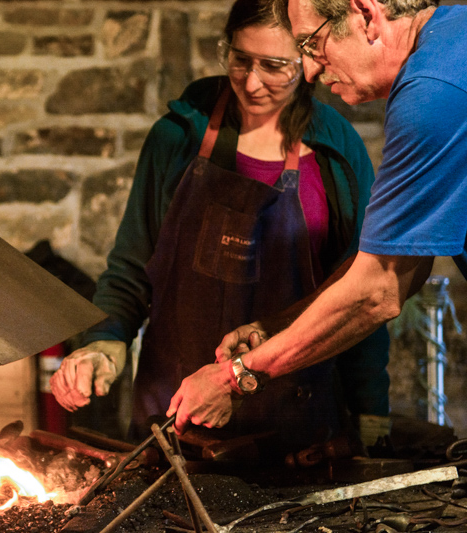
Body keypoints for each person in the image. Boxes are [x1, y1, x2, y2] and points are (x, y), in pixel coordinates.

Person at [50, 0, 391, 451]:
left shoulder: (337, 153)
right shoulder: (177, 137)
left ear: (309, 60)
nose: (252, 82)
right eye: (240, 59)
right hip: (173, 413)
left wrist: (372, 409)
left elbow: (357, 288)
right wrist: (102, 343)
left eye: (274, 67)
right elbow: (132, 268)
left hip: (295, 422)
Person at [167, 0, 467, 436]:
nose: (310, 71)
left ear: (365, 13)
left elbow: (377, 290)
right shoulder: (453, 36)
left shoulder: (432, 94)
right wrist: (277, 326)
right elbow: (405, 261)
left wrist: (235, 377)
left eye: (313, 43)